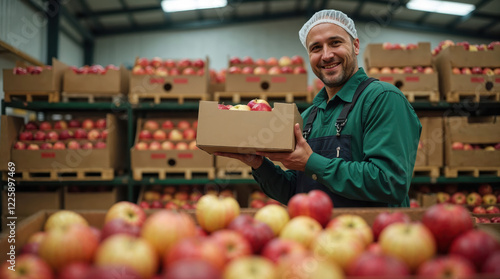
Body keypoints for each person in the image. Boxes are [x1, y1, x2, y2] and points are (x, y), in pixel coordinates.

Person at [216, 9, 422, 207]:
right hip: (314, 235)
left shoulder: (382, 98)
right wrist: (259, 164)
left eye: (335, 43)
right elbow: (295, 190)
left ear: (356, 45)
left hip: (371, 237)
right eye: (316, 48)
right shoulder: (309, 116)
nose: (326, 55)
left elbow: (390, 183)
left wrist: (311, 163)